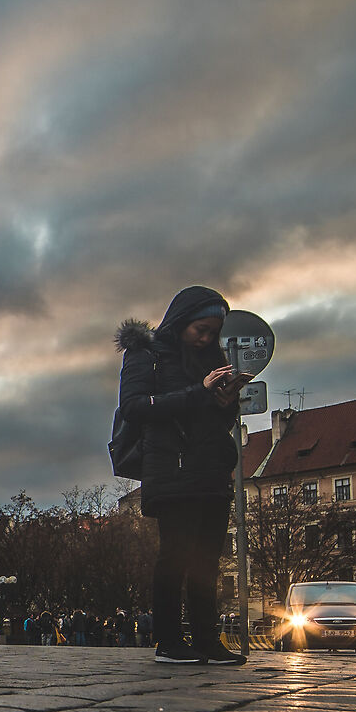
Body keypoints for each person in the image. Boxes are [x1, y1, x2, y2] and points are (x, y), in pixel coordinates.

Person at [117, 285, 246, 665]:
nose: (205, 338)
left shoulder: (211, 359)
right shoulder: (147, 354)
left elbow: (214, 416)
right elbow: (135, 407)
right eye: (199, 329)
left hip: (211, 468)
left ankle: (207, 640)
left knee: (208, 559)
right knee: (175, 556)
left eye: (212, 331)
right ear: (181, 321)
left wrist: (226, 402)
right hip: (172, 467)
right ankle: (169, 641)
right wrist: (199, 393)